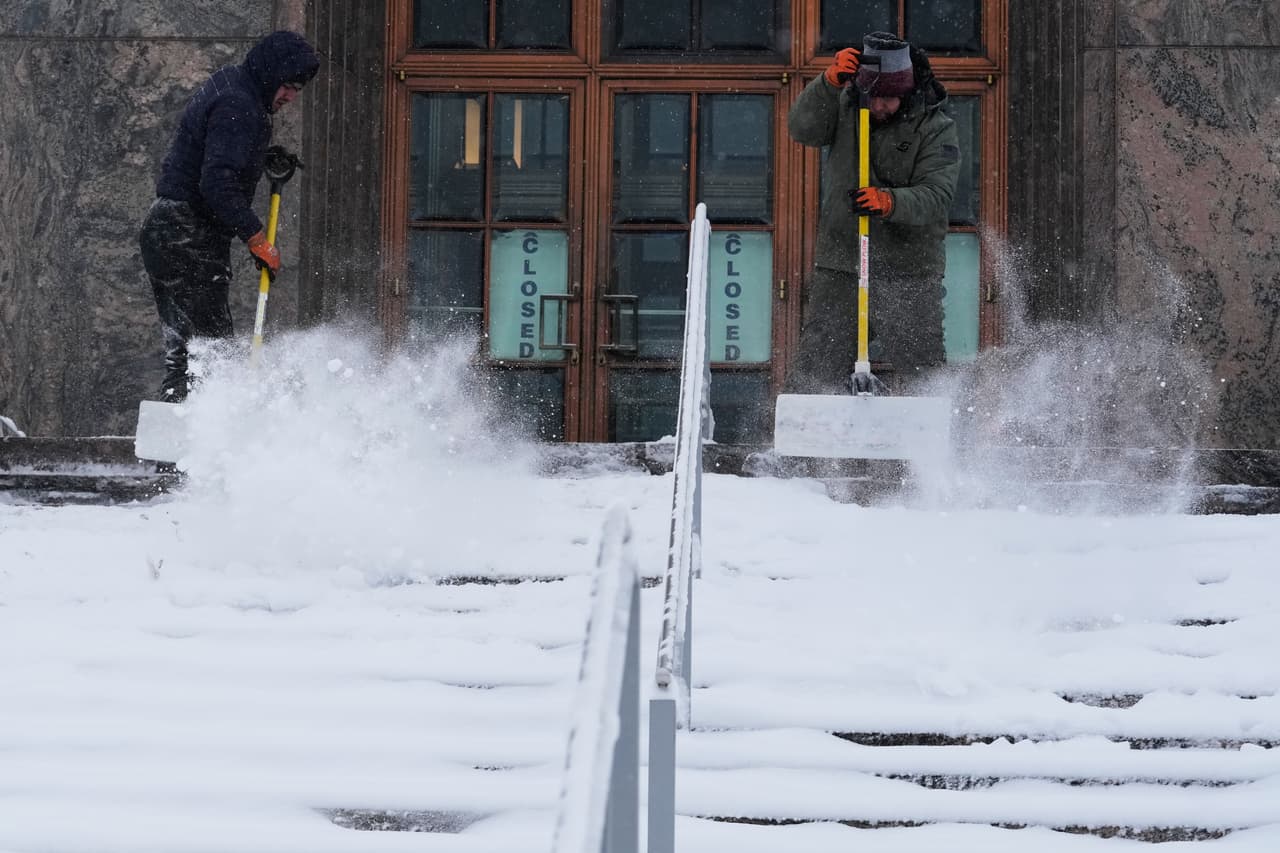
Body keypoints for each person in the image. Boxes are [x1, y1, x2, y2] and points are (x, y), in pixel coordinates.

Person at [139, 30, 320, 402]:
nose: (290, 97)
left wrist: (255, 157)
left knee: (190, 353)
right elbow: (216, 183)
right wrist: (256, 238)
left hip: (172, 230)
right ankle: (186, 453)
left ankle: (179, 452)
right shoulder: (240, 104)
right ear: (271, 74)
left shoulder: (234, 86)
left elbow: (216, 154)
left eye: (297, 90)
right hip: (186, 233)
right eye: (287, 86)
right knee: (207, 356)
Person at [785, 31, 960, 394]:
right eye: (876, 97)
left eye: (890, 98)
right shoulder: (846, 104)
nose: (880, 106)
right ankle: (803, 444)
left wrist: (890, 202)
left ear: (907, 92)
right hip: (842, 263)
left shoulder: (935, 128)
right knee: (819, 361)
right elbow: (802, 129)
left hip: (908, 269)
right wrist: (827, 83)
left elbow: (936, 195)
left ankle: (935, 444)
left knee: (921, 366)